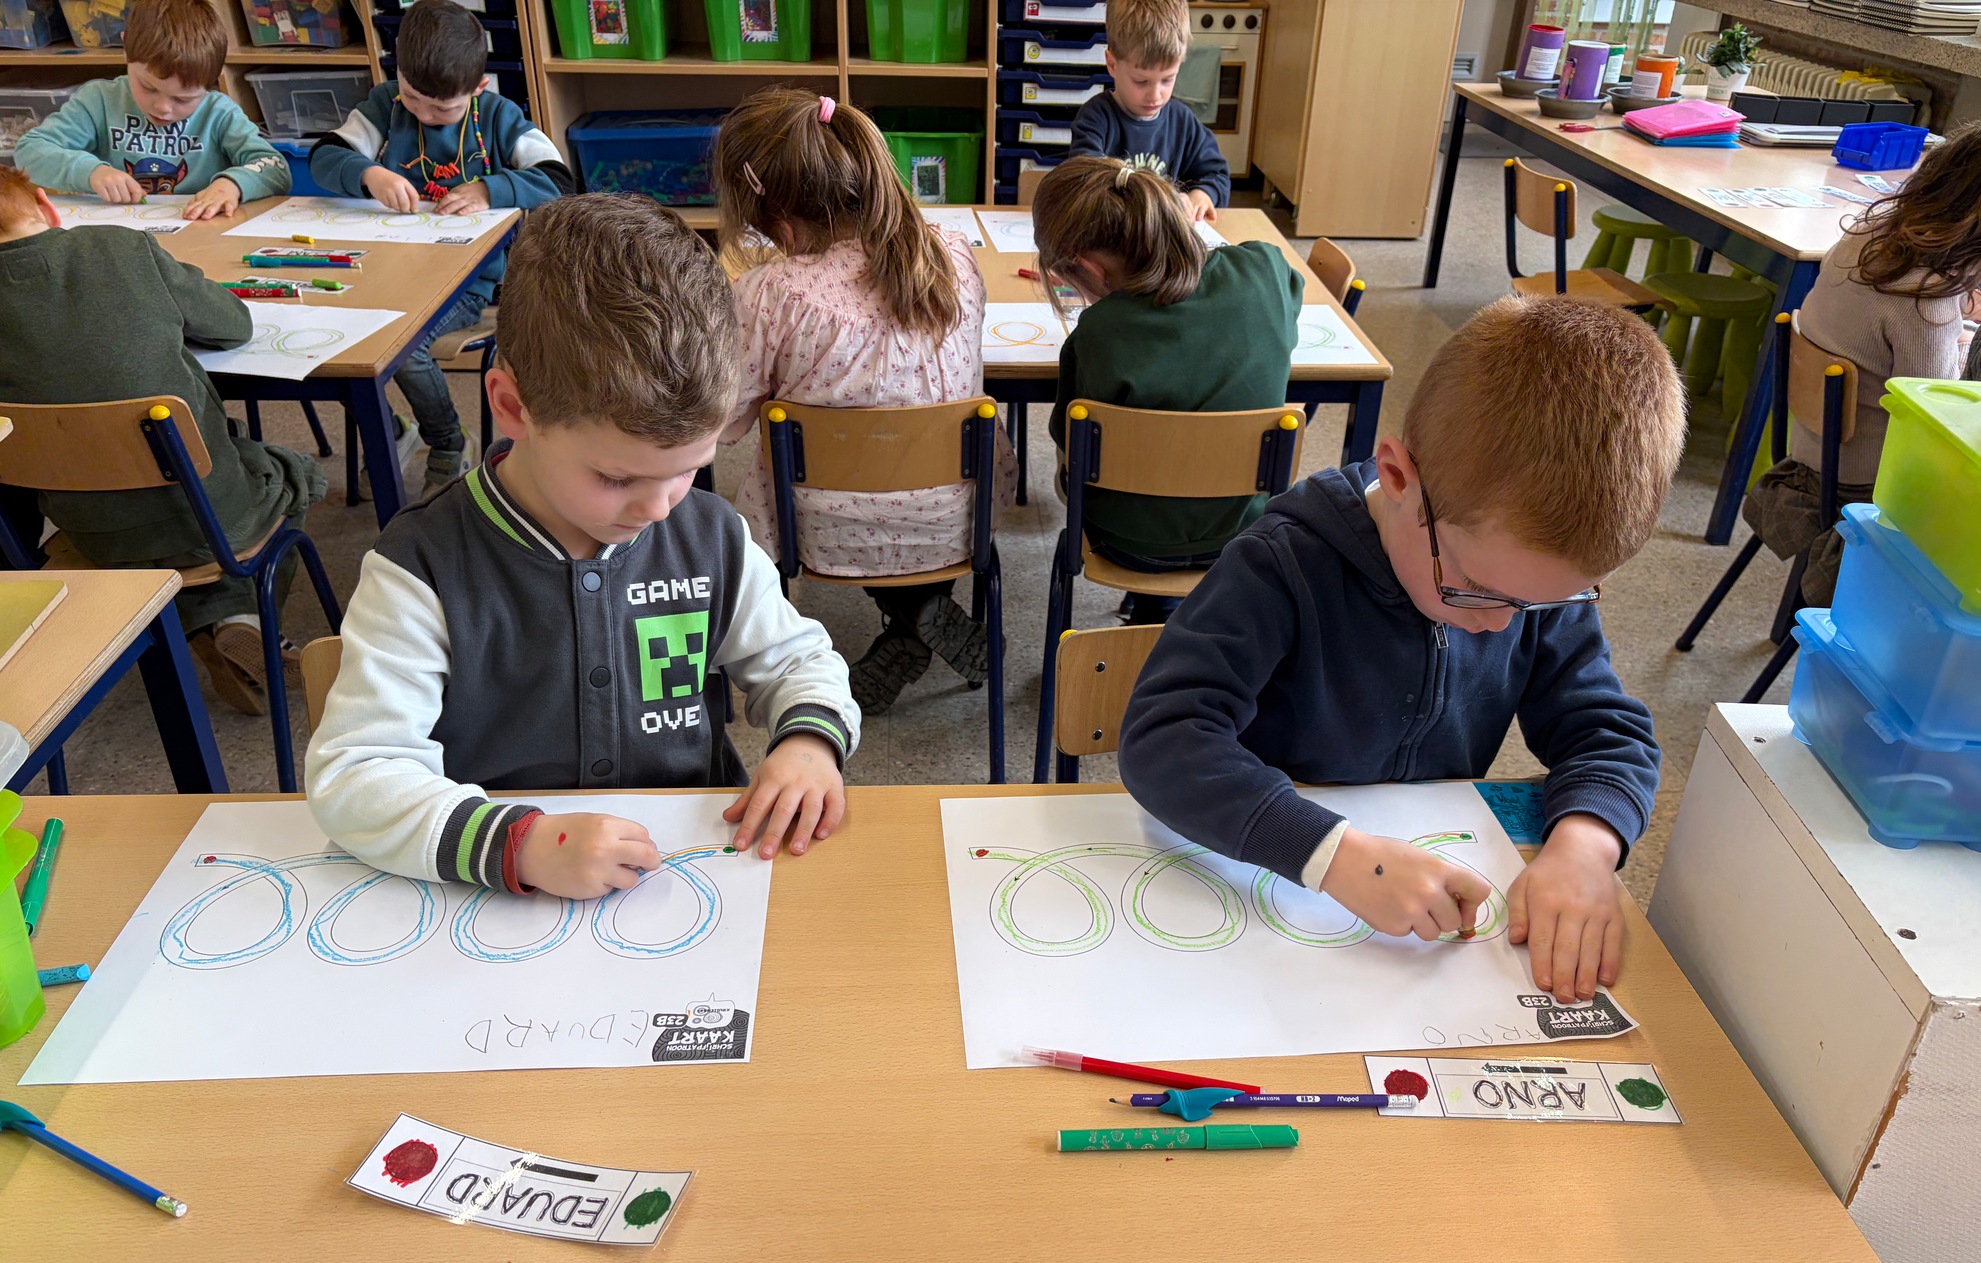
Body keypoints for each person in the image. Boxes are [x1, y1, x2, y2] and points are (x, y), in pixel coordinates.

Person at [1119, 296, 1678, 1006]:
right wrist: (1334, 856)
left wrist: (1586, 847)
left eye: (1540, 605)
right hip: (1264, 888)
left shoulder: (1524, 582)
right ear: (1398, 476)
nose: (1501, 625)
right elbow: (1164, 737)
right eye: (1474, 590)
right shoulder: (1282, 564)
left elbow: (1608, 732)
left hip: (1415, 917)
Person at [305, 194, 858, 900]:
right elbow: (355, 775)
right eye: (617, 478)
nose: (659, 508)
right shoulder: (423, 564)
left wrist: (809, 742)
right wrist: (519, 844)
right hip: (492, 896)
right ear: (512, 407)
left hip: (687, 873)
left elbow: (800, 662)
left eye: (690, 468)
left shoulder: (712, 536)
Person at [713, 88, 1012, 716]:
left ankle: (910, 617)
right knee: (899, 468)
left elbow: (725, 419)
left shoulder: (770, 292)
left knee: (803, 472)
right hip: (960, 515)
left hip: (822, 530)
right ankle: (920, 609)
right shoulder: (954, 255)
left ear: (776, 217)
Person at [0, 164, 326, 714]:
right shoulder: (122, 247)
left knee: (206, 480)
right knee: (293, 473)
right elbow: (232, 325)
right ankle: (237, 614)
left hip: (89, 531)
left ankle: (209, 622)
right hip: (204, 510)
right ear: (46, 204)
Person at [310, 0, 570, 502]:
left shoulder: (498, 115)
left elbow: (557, 179)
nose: (425, 114)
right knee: (332, 338)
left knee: (406, 351)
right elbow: (324, 156)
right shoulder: (385, 105)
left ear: (478, 87)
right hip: (386, 270)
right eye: (413, 97)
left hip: (466, 284)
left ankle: (448, 441)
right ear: (399, 75)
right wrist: (369, 173)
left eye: (443, 109)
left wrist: (491, 189)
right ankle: (392, 429)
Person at [1034, 152, 1301, 623]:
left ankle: (1152, 612)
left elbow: (1069, 444)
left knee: (1085, 453)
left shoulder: (1098, 333)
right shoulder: (1265, 269)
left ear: (1091, 269)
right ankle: (1166, 617)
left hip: (1127, 543)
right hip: (1243, 532)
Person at [1745, 119, 1981, 608]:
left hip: (1813, 447)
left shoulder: (1869, 235)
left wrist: (1964, 305)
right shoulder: (1925, 302)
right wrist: (1971, 342)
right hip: (1864, 479)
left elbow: (1877, 319)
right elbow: (1937, 410)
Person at [15, 0, 288, 220]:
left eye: (183, 99)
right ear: (126, 48)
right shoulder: (99, 100)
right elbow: (29, 152)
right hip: (118, 232)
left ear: (210, 83)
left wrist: (233, 184)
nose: (163, 108)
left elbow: (275, 168)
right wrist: (91, 172)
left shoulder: (219, 112)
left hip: (198, 231)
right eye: (148, 87)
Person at [1066, 0, 1230, 223]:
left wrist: (1202, 194)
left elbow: (1217, 175)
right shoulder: (1095, 119)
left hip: (1166, 236)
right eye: (1141, 81)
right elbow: (1085, 184)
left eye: (1167, 79)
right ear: (1112, 64)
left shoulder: (1183, 121)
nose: (1155, 95)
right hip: (1113, 231)